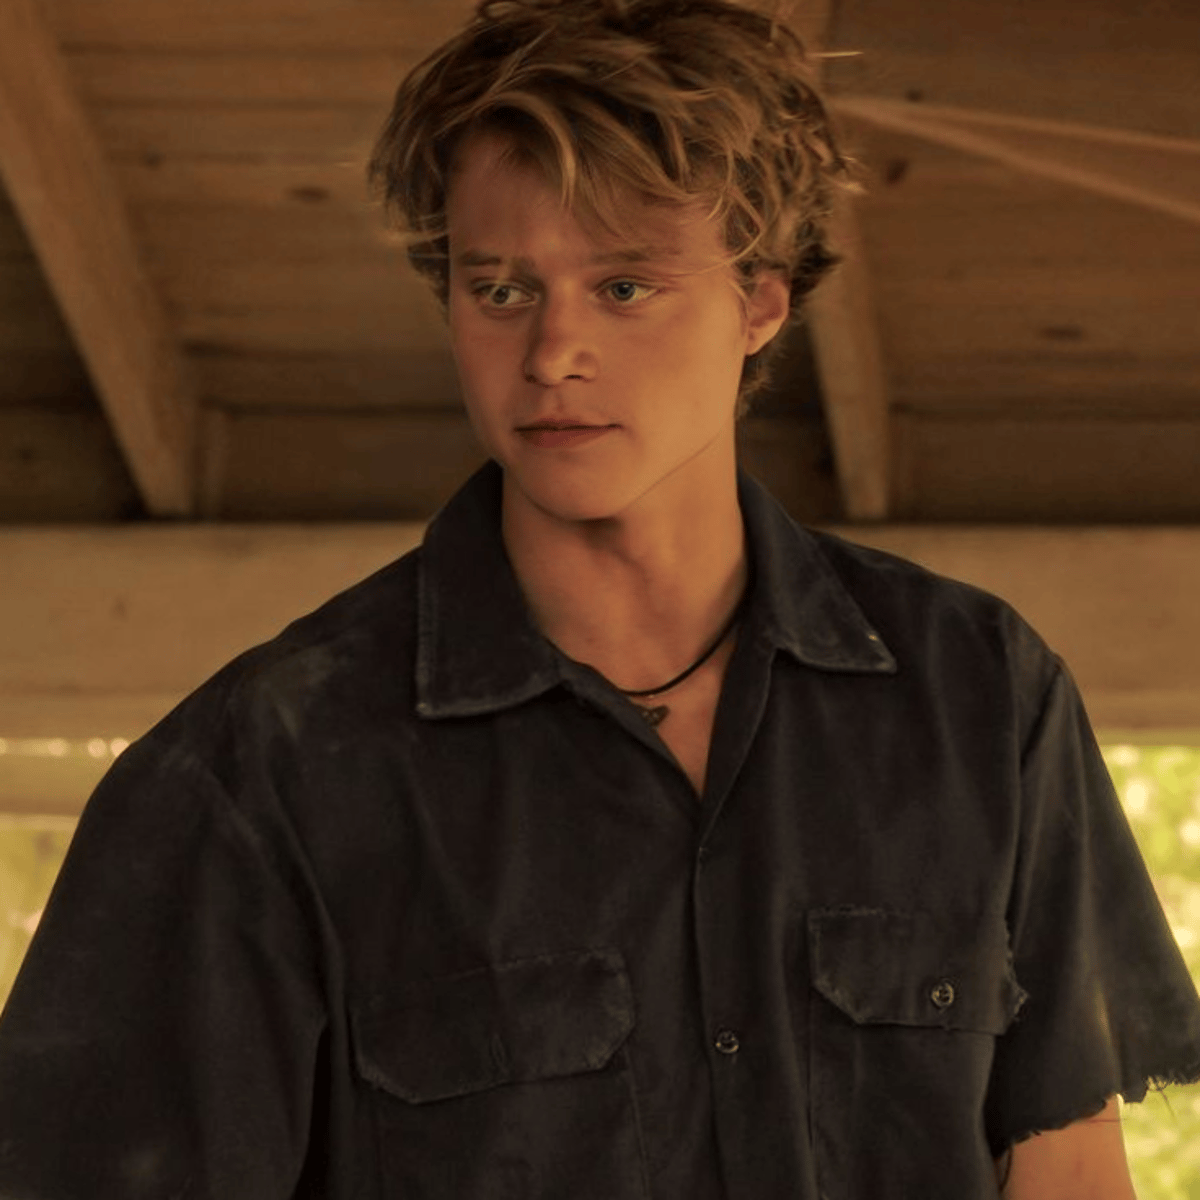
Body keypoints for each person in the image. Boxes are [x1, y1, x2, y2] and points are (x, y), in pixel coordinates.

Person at [1, 1, 1198, 1196]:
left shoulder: (979, 694)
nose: (551, 352)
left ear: (761, 301)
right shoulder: (260, 772)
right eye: (500, 289)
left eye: (625, 286)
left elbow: (1071, 1174)